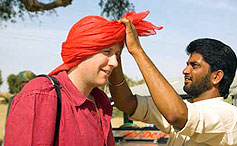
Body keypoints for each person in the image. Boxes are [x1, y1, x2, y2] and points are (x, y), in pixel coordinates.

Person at [3, 11, 162, 146]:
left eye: (117, 55)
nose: (114, 63)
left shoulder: (101, 103)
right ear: (83, 51)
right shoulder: (42, 96)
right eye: (107, 52)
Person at [109, 18, 237, 145]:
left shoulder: (230, 116)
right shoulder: (186, 107)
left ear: (216, 77)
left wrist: (137, 51)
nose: (185, 71)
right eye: (187, 64)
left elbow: (177, 115)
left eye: (195, 66)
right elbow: (127, 103)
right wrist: (116, 56)